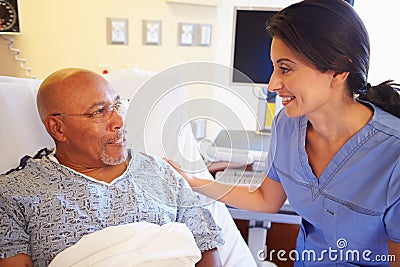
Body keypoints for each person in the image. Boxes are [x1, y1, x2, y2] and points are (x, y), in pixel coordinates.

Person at [168, 0, 400, 266]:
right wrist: (193, 181)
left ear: (337, 71)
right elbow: (267, 199)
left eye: (286, 69)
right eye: (274, 68)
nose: (273, 83)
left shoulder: (393, 156)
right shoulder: (288, 126)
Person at [0, 68, 224, 267]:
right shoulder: (15, 193)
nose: (119, 121)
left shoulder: (161, 173)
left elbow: (205, 245)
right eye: (99, 112)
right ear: (58, 128)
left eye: (117, 106)